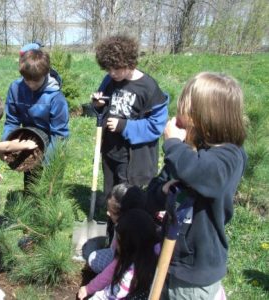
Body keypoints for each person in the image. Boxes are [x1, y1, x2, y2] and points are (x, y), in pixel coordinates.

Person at [146, 72, 247, 299]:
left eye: (185, 108)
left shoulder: (229, 157)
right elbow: (153, 193)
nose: (178, 114)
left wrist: (172, 144)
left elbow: (204, 174)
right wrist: (163, 190)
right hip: (170, 257)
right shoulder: (187, 152)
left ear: (207, 116)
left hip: (196, 270)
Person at [91, 33, 169, 240]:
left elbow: (156, 126)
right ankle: (111, 238)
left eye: (116, 68)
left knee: (127, 200)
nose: (112, 73)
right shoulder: (109, 80)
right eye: (108, 68)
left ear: (130, 62)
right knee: (111, 197)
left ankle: (128, 242)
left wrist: (124, 126)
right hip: (111, 152)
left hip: (133, 159)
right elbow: (104, 103)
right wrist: (98, 104)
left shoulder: (149, 88)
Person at [1, 48, 69, 189]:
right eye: (27, 80)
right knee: (31, 188)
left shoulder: (55, 97)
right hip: (31, 143)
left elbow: (60, 134)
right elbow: (12, 120)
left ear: (45, 73)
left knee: (50, 189)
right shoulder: (16, 89)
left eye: (36, 80)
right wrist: (5, 145)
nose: (31, 84)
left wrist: (46, 160)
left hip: (53, 143)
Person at [77, 209, 159, 300]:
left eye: (119, 241)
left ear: (129, 246)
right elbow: (111, 271)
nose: (116, 245)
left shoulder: (128, 276)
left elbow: (108, 296)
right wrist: (89, 288)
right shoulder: (155, 252)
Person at [86, 183, 147, 274]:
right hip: (121, 259)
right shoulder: (131, 224)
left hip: (128, 269)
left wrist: (92, 286)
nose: (107, 213)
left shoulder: (126, 235)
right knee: (93, 257)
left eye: (112, 212)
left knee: (94, 260)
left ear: (125, 214)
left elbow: (119, 262)